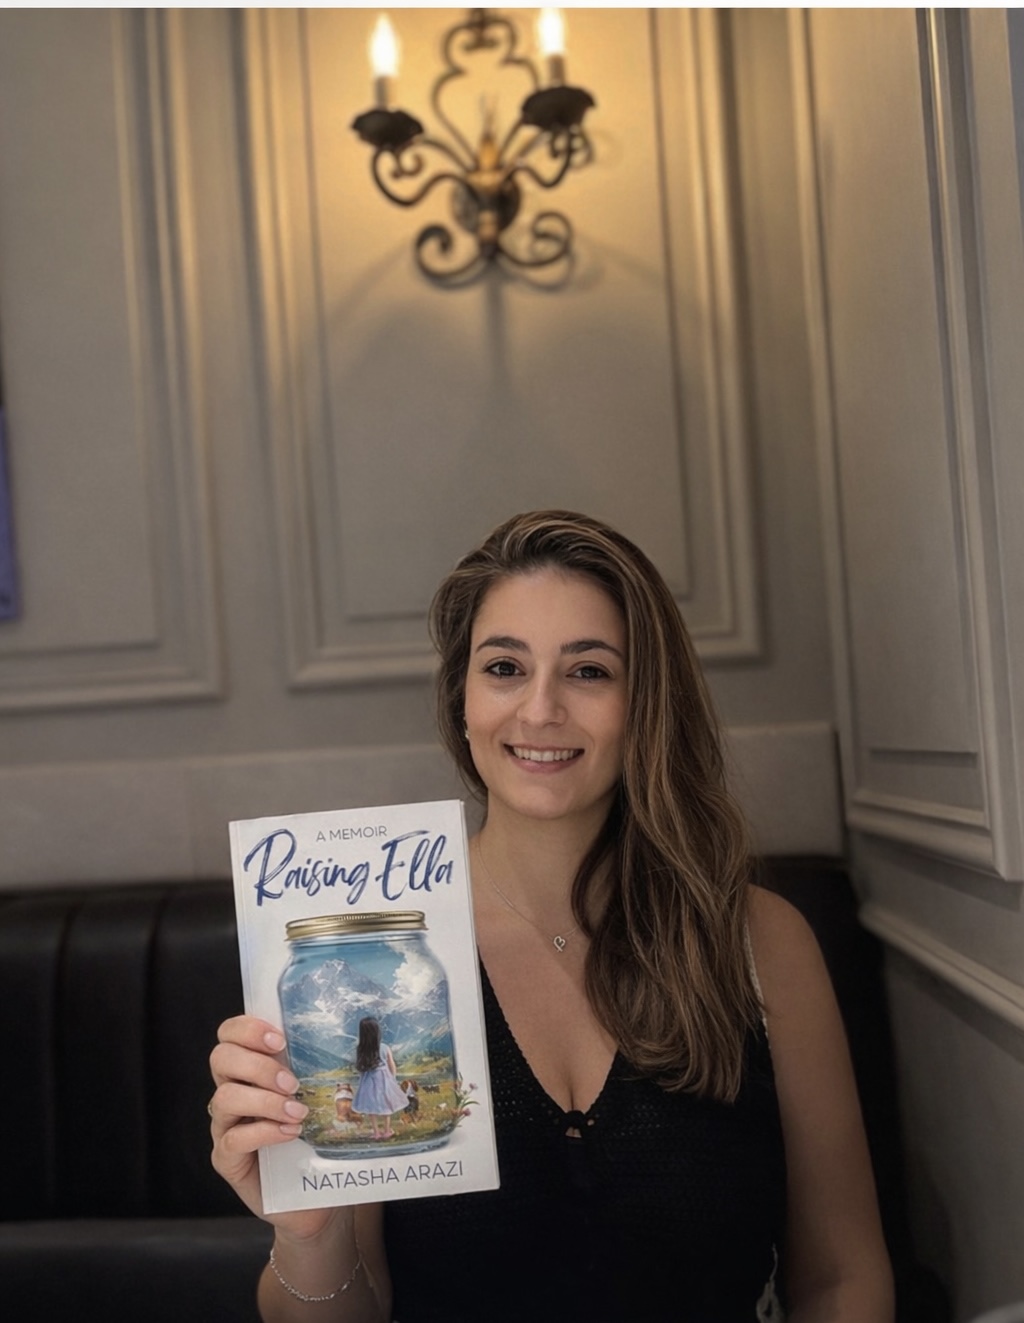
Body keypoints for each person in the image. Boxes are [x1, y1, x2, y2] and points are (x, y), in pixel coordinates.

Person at [210, 509, 894, 1322]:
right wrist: (309, 1228)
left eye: (589, 671)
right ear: (461, 700)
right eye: (504, 666)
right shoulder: (378, 955)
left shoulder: (759, 942)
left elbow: (843, 1278)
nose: (539, 710)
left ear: (646, 702)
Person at [351, 1018, 408, 1140]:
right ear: (377, 1032)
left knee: (371, 1105)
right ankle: (387, 1131)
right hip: (384, 1079)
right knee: (386, 1103)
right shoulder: (384, 1047)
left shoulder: (360, 1049)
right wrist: (393, 1078)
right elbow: (391, 1064)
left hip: (368, 1080)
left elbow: (360, 1067)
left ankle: (376, 1132)